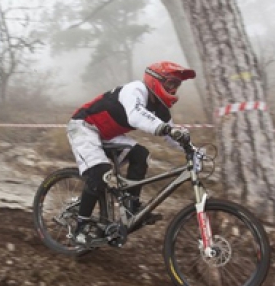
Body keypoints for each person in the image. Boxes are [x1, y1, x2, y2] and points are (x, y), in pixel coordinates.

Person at [66, 61, 196, 246]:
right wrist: (164, 128)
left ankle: (131, 207)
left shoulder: (160, 109)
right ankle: (81, 226)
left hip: (107, 135)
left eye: (177, 85)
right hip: (84, 126)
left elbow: (172, 136)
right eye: (170, 83)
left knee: (140, 155)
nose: (173, 89)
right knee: (100, 171)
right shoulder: (135, 89)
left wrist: (194, 150)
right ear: (155, 80)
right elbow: (136, 115)